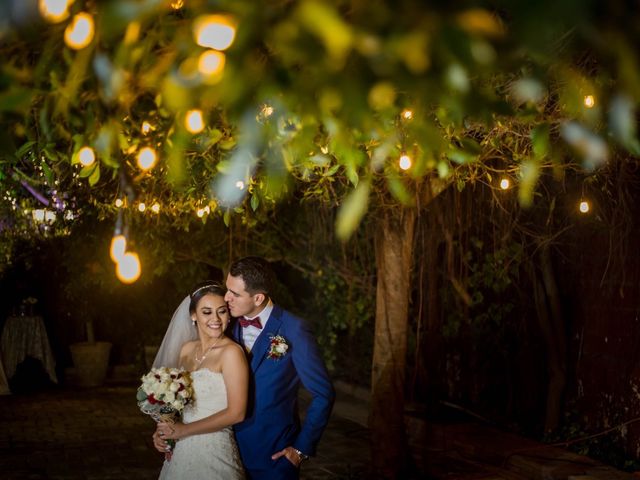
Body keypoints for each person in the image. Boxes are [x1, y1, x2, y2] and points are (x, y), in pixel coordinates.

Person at [224, 256, 335, 479]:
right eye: (227, 289)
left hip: (273, 458)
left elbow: (324, 394)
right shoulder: (224, 323)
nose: (226, 298)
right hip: (225, 451)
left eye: (234, 294)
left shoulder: (294, 330)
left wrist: (300, 450)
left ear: (258, 298)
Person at [151, 283, 249, 479]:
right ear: (193, 315)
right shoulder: (186, 350)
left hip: (215, 449)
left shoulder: (231, 353)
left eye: (222, 311)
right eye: (207, 312)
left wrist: (184, 430)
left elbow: (237, 413)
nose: (215, 319)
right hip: (182, 450)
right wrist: (163, 430)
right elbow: (175, 401)